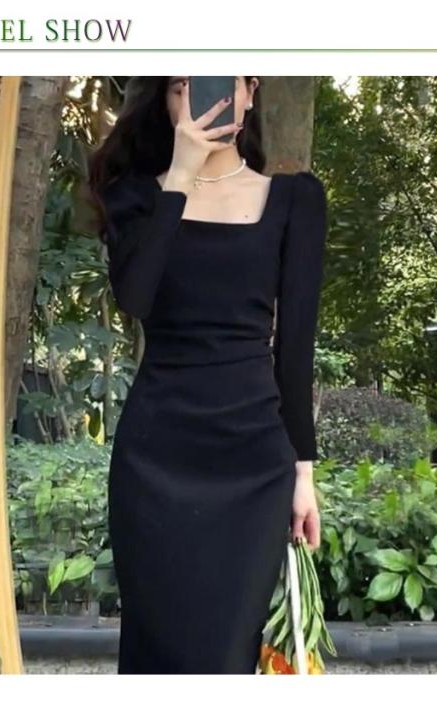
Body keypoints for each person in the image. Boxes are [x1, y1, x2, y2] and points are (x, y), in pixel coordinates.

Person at [90, 76, 327, 674]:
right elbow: (136, 298)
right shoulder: (135, 197)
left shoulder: (295, 200)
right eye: (182, 88)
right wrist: (180, 175)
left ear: (249, 92)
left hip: (253, 460)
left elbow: (295, 345)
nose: (204, 99)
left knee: (227, 652)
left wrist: (303, 473)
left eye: (222, 82)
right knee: (154, 649)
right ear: (164, 103)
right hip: (156, 456)